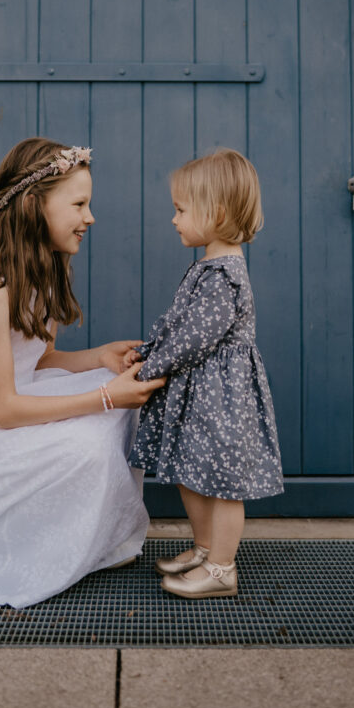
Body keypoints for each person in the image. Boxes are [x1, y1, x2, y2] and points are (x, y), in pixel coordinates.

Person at [0, 137, 164, 608]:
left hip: (16, 392)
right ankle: (31, 547)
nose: (90, 218)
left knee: (114, 416)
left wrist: (100, 357)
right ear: (34, 206)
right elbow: (2, 410)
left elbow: (38, 360)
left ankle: (82, 540)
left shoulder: (48, 270)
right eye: (79, 204)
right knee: (91, 439)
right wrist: (105, 396)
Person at [126, 148, 284, 598]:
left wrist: (150, 368)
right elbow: (178, 327)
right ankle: (205, 548)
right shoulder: (208, 268)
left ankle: (221, 569)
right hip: (199, 394)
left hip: (221, 398)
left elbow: (193, 339)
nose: (174, 219)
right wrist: (145, 352)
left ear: (216, 214)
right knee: (191, 472)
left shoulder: (223, 277)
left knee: (223, 484)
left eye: (181, 210)